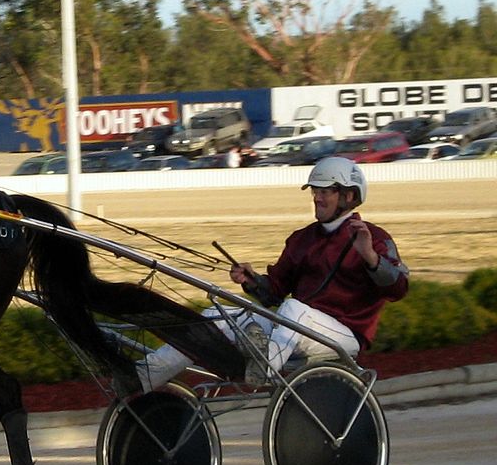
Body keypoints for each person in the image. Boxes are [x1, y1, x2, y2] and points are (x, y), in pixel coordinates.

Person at [136, 157, 409, 391]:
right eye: (315, 190)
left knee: (293, 309)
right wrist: (252, 281)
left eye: (325, 191)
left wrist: (370, 257)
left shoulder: (374, 238)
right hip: (294, 329)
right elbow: (274, 291)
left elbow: (399, 289)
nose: (316, 197)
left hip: (344, 336)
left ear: (348, 196)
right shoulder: (301, 239)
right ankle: (142, 376)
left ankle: (263, 368)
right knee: (215, 316)